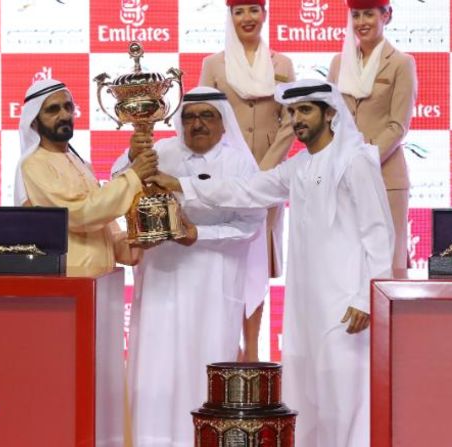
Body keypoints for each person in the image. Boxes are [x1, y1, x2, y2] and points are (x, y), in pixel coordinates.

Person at [148, 79, 394, 447]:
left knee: (347, 395)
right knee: (308, 392)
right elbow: (246, 190)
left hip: (347, 303)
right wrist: (181, 184)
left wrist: (365, 297)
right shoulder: (298, 167)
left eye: (306, 110)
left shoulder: (356, 160)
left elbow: (379, 232)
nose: (298, 119)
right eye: (293, 112)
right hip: (308, 303)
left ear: (330, 114)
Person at [113, 87, 268, 447]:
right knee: (156, 365)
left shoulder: (240, 163)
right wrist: (132, 154)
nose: (196, 124)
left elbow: (250, 225)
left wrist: (200, 234)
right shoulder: (160, 152)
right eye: (188, 117)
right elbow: (119, 186)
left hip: (214, 283)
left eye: (206, 116)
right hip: (161, 282)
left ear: (222, 121)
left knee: (205, 363)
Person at [199, 0, 297, 361]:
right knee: (227, 260)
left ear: (265, 15)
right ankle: (227, 346)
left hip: (268, 179)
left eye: (254, 10)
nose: (247, 18)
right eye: (240, 11)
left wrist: (267, 170)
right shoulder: (214, 64)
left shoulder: (281, 64)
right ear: (230, 17)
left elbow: (291, 120)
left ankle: (253, 350)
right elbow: (202, 118)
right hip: (226, 178)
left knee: (257, 262)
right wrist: (232, 168)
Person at [14, 78, 158, 274]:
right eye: (53, 110)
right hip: (67, 285)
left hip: (100, 283)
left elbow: (106, 228)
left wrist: (137, 241)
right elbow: (79, 214)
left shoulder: (80, 163)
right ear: (34, 121)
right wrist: (133, 175)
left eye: (68, 107)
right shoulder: (33, 165)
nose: (64, 115)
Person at [327, 0, 417, 271]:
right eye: (356, 15)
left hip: (385, 174)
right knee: (346, 263)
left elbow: (398, 125)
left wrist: (363, 159)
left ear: (386, 16)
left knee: (388, 264)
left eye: (369, 14)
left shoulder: (401, 63)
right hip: (342, 175)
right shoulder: (338, 62)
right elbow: (331, 118)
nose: (362, 22)